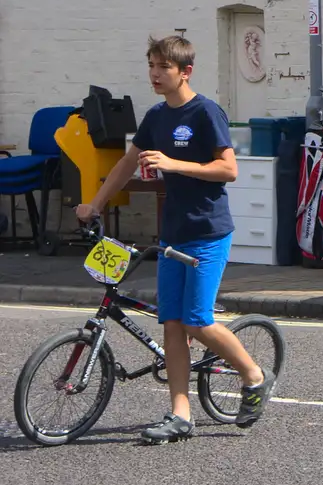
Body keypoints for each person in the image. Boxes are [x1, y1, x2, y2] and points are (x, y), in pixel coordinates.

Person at [76, 35, 273, 443]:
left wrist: (173, 164)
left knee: (197, 321)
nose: (154, 74)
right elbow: (126, 164)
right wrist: (93, 203)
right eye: (151, 65)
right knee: (172, 324)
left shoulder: (206, 112)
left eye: (163, 67)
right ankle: (179, 414)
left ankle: (253, 376)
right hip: (173, 236)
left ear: (185, 71)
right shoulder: (156, 117)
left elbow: (228, 170)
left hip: (208, 233)